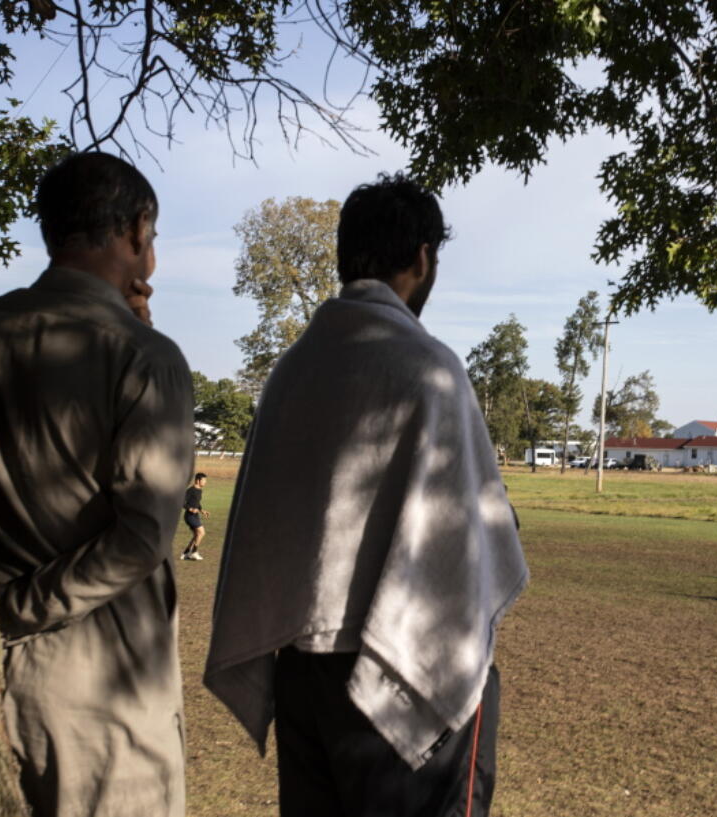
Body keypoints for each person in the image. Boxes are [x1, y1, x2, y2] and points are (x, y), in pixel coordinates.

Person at [204, 173, 528, 817]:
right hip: (401, 671)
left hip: (302, 672)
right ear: (421, 258)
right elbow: (480, 531)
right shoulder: (428, 367)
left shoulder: (293, 369)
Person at [0, 152, 194, 816]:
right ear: (134, 232)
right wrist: (17, 610)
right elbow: (142, 536)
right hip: (104, 691)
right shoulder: (144, 357)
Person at [181, 472, 210, 560]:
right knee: (201, 533)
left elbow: (197, 503)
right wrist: (190, 509)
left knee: (197, 535)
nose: (205, 482)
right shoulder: (191, 490)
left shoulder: (199, 490)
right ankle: (194, 552)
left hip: (195, 515)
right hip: (189, 516)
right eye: (204, 480)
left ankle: (185, 553)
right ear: (198, 480)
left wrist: (202, 511)